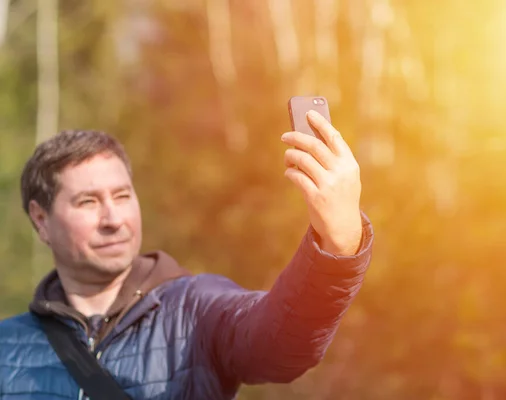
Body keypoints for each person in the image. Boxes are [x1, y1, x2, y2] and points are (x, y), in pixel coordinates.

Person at [0, 110, 374, 399]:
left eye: (122, 196)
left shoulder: (198, 309)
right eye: (88, 202)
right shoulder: (7, 347)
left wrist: (336, 245)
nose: (113, 219)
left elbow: (282, 343)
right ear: (41, 220)